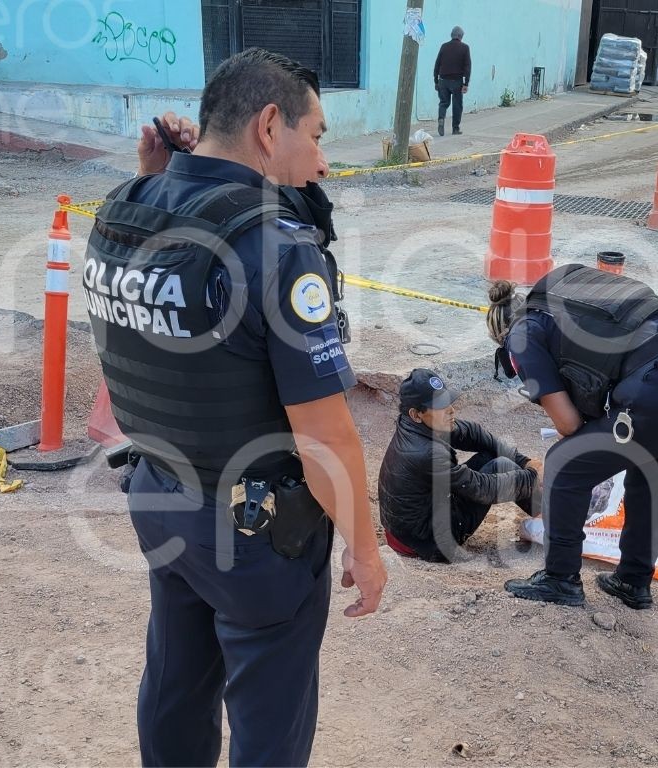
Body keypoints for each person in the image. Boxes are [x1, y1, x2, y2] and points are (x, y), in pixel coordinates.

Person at [85, 48, 387, 767]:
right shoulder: (275, 247)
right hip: (254, 534)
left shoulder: (124, 208)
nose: (321, 160)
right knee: (269, 726)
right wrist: (365, 546)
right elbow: (325, 437)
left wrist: (162, 179)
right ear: (269, 125)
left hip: (160, 495)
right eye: (315, 135)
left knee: (176, 684)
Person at [486, 265, 658, 610]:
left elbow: (568, 424)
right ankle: (632, 581)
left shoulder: (522, 336)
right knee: (652, 469)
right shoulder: (563, 298)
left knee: (564, 463)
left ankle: (560, 579)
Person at [377, 368, 543, 562]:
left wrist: (524, 461)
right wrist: (533, 475)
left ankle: (546, 516)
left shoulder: (415, 425)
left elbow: (472, 433)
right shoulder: (425, 453)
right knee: (501, 465)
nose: (451, 410)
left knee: (491, 454)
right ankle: (553, 522)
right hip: (427, 542)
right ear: (416, 414)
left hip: (410, 527)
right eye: (440, 406)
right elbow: (482, 488)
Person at [434, 26, 472, 136]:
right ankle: (455, 129)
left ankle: (441, 119)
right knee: (457, 105)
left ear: (452, 35)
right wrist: (466, 83)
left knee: (443, 103)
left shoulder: (444, 46)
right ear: (461, 36)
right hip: (457, 81)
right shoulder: (465, 48)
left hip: (443, 80)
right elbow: (467, 67)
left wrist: (436, 81)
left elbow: (437, 64)